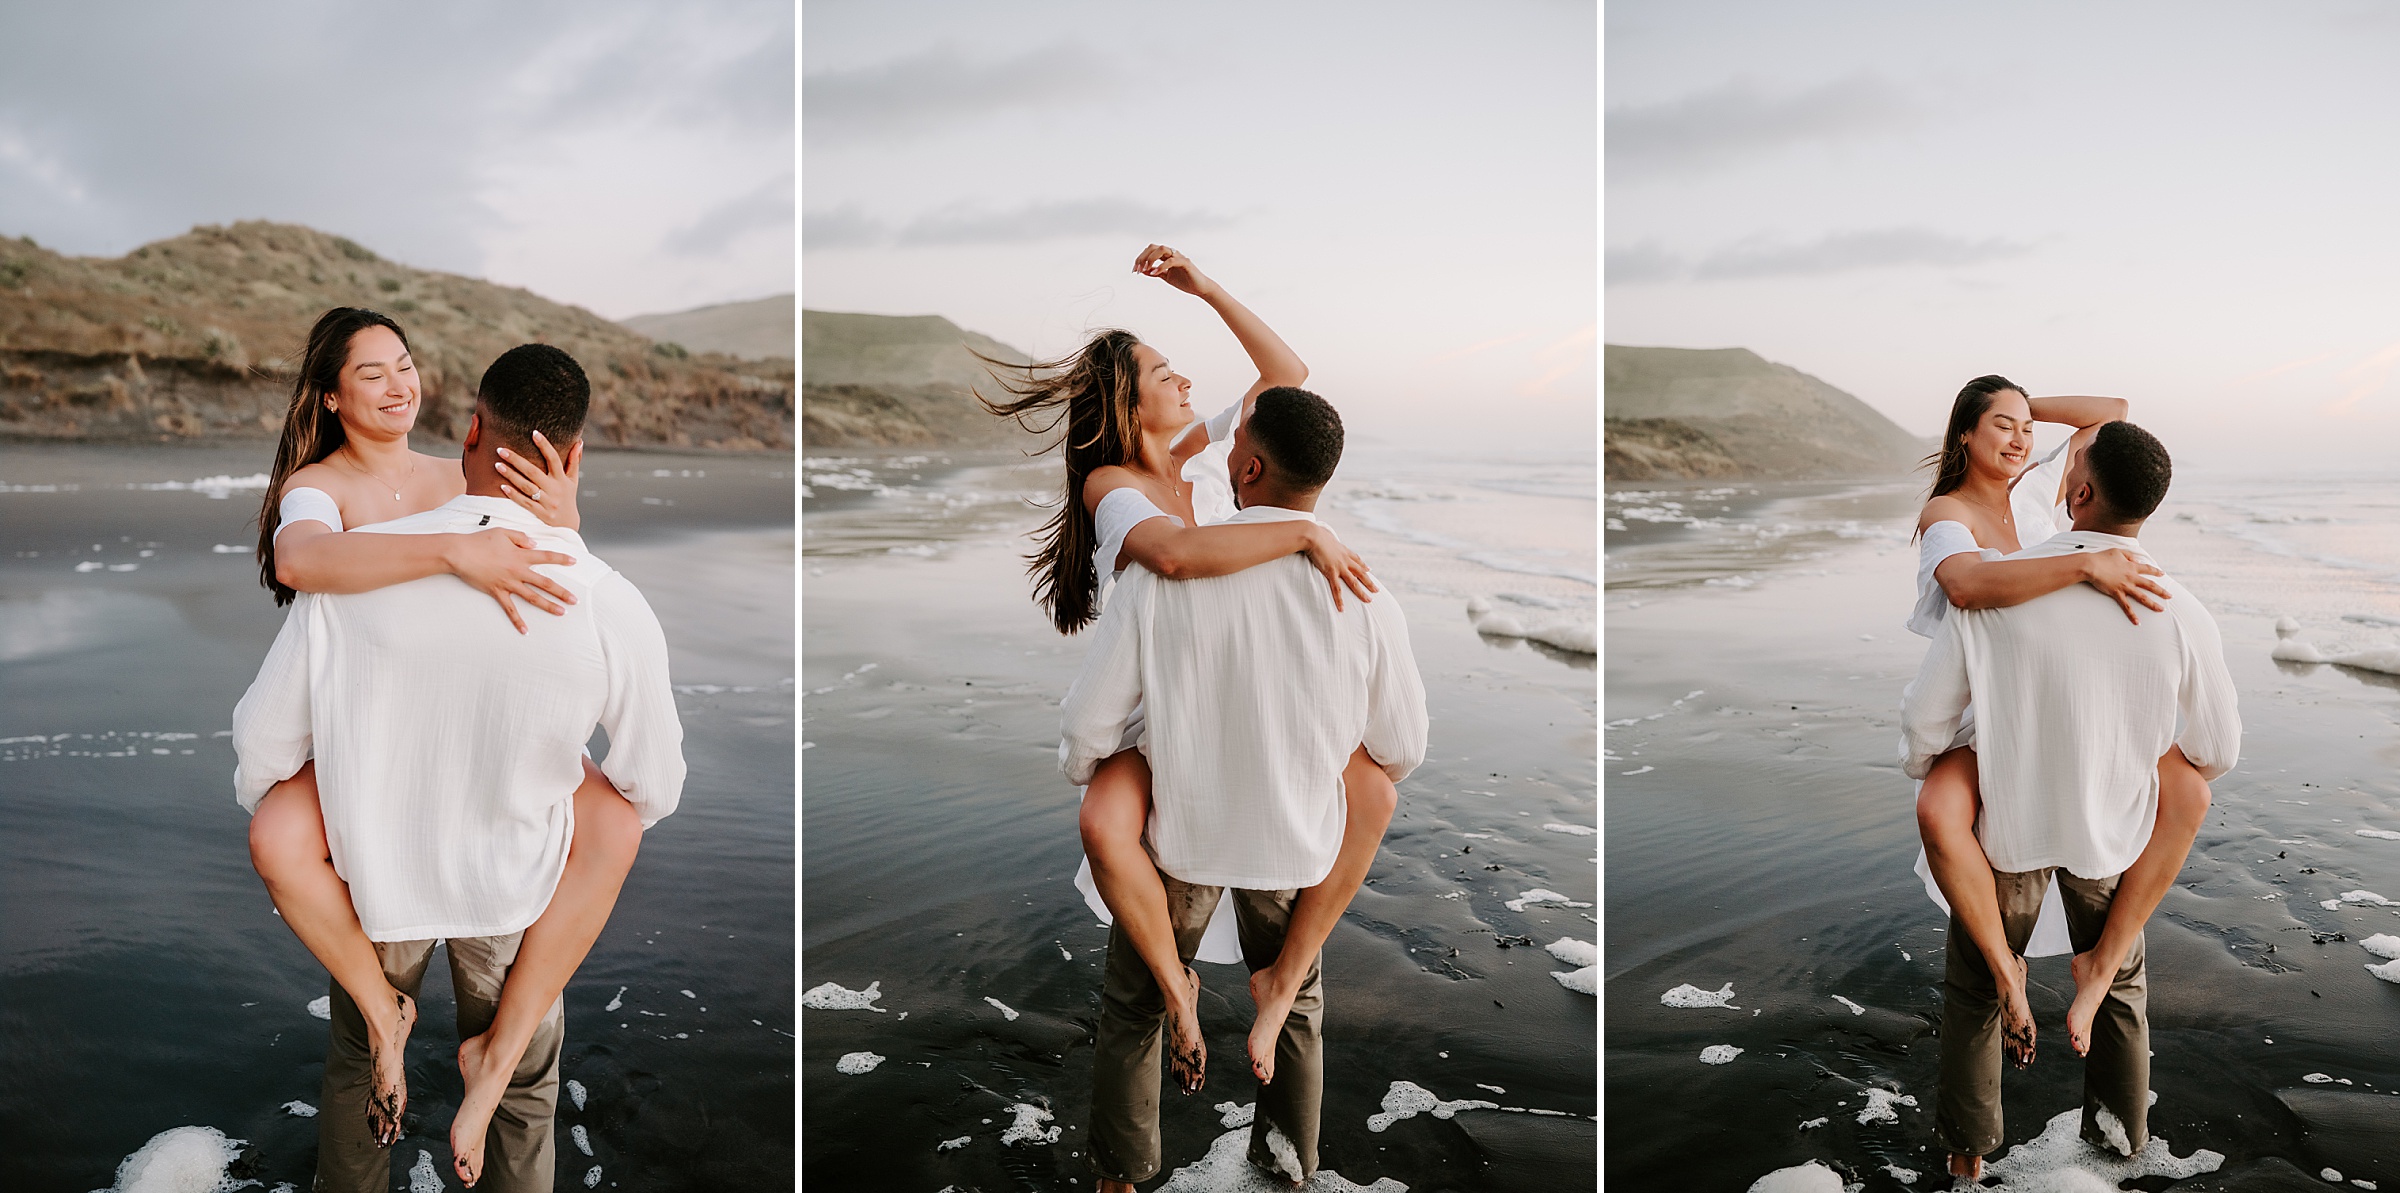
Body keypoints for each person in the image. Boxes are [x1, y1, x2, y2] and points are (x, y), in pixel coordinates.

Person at [233, 331, 682, 1189]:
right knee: (523, 1086)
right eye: (372, 372)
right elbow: (651, 787)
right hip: (510, 872)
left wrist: (350, 776)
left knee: (357, 1060)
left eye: (405, 366)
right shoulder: (599, 596)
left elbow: (261, 744)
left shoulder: (347, 590)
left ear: (470, 429)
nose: (398, 385)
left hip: (379, 856)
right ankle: (489, 1085)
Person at [980, 246, 1394, 1091]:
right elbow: (1171, 555)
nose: (1186, 385)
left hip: (1204, 695)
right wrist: (1306, 531)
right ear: (1128, 403)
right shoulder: (1113, 482)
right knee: (1102, 824)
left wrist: (1204, 289)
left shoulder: (1187, 457)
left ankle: (1256, 991)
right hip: (1148, 711)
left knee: (1365, 793)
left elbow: (1289, 376)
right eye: (1165, 375)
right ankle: (1179, 988)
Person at [1060, 386, 1429, 1190]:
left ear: (1249, 464)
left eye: (1235, 448)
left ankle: (1122, 1177)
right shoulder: (1367, 594)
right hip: (1295, 843)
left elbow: (1088, 724)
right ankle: (1286, 1171)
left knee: (1136, 1006)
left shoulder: (1165, 575)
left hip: (1180, 834)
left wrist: (1135, 760)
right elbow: (1401, 751)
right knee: (1294, 1007)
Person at [1903, 420, 2240, 1179]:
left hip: (2007, 827)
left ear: (2080, 492)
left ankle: (1968, 1158)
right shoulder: (2182, 609)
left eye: (2070, 467)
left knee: (1978, 983)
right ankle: (2121, 1146)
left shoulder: (1999, 588)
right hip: (2112, 832)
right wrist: (2127, 742)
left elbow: (1921, 727)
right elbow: (2218, 750)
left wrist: (1958, 756)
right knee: (2117, 981)